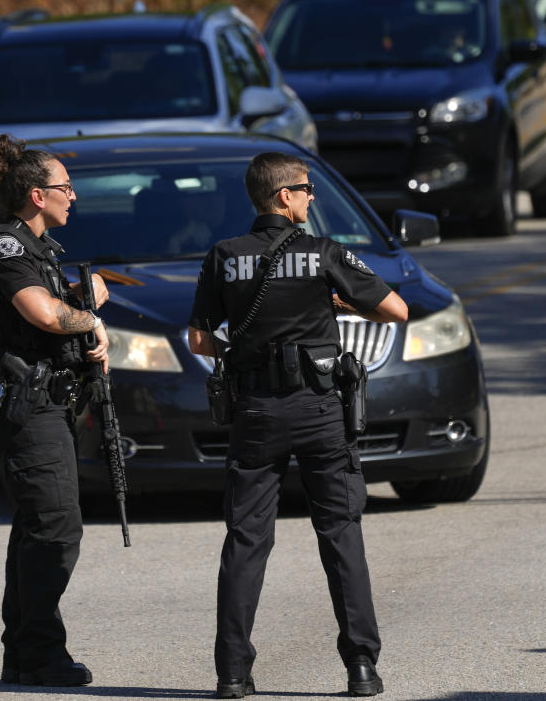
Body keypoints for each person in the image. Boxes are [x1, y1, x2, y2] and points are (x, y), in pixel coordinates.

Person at [186, 151, 408, 699]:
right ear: (284, 196)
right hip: (318, 412)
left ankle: (232, 674)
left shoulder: (224, 256)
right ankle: (361, 667)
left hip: (257, 412)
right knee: (340, 534)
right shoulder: (324, 252)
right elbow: (397, 310)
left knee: (245, 540)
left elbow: (198, 340)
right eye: (307, 189)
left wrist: (237, 349)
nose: (313, 197)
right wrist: (341, 306)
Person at [0, 133, 110, 687]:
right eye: (64, 188)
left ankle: (24, 654)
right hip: (26, 404)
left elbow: (63, 311)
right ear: (35, 195)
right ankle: (43, 655)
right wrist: (88, 317)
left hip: (51, 401)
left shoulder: (42, 251)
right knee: (55, 529)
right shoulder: (5, 248)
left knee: (37, 527)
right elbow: (42, 315)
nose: (72, 196)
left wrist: (88, 310)